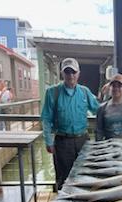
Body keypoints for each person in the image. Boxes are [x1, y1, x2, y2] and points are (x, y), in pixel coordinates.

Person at [41, 57, 99, 190]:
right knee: (64, 178)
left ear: (78, 73)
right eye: (67, 72)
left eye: (73, 72)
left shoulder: (85, 91)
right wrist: (49, 142)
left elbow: (99, 109)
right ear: (62, 74)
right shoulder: (52, 92)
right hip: (62, 142)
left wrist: (115, 98)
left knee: (85, 175)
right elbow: (46, 119)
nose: (71, 75)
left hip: (83, 140)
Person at [96, 73, 122, 144]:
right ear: (109, 88)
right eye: (113, 86)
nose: (116, 88)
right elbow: (99, 131)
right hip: (109, 146)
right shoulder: (102, 108)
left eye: (119, 86)